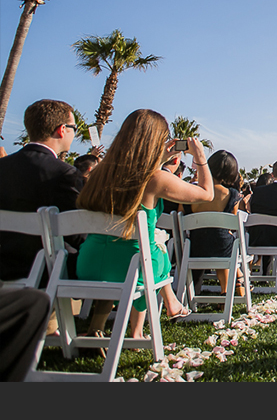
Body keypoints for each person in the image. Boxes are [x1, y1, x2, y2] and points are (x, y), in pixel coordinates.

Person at [75, 109, 215, 339]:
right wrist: (200, 157)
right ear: (155, 142)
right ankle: (137, 332)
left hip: (88, 264)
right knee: (152, 254)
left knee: (138, 252)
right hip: (134, 268)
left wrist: (158, 160)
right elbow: (206, 194)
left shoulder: (99, 173)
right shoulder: (155, 178)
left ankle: (97, 328)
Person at [0, 99, 85, 281]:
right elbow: (76, 232)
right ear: (62, 130)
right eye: (74, 129)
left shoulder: (2, 166)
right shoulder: (64, 173)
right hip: (44, 269)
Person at [182, 150, 247, 297]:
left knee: (216, 238)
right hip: (222, 248)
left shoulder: (192, 191)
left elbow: (182, 213)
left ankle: (193, 293)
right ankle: (225, 290)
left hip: (195, 247)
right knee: (224, 238)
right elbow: (232, 223)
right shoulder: (231, 195)